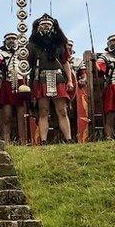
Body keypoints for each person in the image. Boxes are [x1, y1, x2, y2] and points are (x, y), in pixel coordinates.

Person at [27, 14, 74, 143]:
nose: (46, 26)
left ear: (53, 27)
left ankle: (68, 139)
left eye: (48, 24)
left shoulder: (60, 44)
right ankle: (43, 140)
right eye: (43, 24)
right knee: (43, 111)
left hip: (58, 78)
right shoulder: (32, 45)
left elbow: (65, 63)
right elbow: (26, 63)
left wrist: (69, 80)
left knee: (62, 110)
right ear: (38, 27)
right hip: (41, 79)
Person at [0, 32, 29, 142]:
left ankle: (23, 141)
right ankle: (6, 142)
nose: (11, 40)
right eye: (9, 39)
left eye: (13, 38)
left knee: (21, 116)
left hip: (21, 84)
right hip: (7, 84)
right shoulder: (1, 54)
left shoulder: (23, 53)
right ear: (5, 41)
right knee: (6, 116)